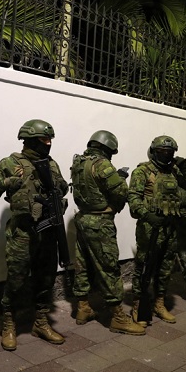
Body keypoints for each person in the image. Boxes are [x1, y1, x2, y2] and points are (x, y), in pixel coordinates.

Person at [0, 119, 69, 350]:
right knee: (17, 279)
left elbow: (62, 186)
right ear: (29, 139)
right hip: (22, 232)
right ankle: (9, 323)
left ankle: (41, 321)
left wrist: (60, 188)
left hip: (48, 231)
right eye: (44, 140)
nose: (48, 144)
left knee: (46, 278)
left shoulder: (52, 164)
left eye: (50, 140)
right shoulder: (11, 162)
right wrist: (8, 181)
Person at [70, 130, 145, 336]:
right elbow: (121, 192)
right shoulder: (102, 164)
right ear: (106, 148)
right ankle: (119, 317)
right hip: (100, 222)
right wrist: (120, 177)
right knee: (108, 267)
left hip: (83, 219)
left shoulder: (79, 162)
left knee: (83, 264)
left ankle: (82, 308)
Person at [128, 135, 186, 326]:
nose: (165, 156)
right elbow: (133, 199)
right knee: (144, 266)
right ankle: (139, 306)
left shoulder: (175, 171)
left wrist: (185, 169)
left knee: (165, 268)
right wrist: (147, 215)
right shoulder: (142, 171)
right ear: (153, 151)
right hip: (150, 227)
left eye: (169, 152)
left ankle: (159, 303)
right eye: (161, 152)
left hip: (171, 226)